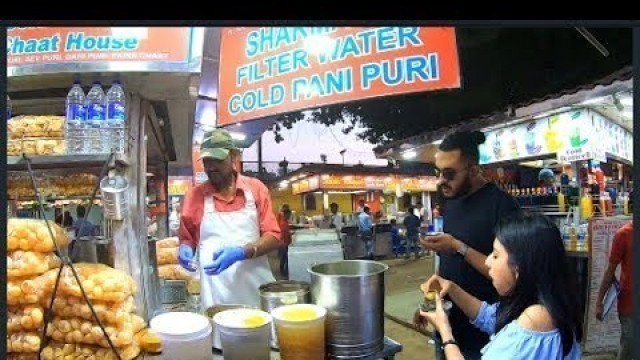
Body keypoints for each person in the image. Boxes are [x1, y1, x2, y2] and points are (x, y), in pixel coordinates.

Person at [416, 213, 582, 359]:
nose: (488, 262)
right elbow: (489, 317)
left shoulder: (534, 321)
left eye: (495, 255)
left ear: (518, 268)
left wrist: (445, 331)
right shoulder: (545, 305)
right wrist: (451, 287)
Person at [420, 130, 521, 360]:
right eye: (438, 173)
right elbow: (446, 264)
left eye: (449, 174)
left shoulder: (503, 206)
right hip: (447, 327)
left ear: (474, 169)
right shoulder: (452, 200)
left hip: (484, 336)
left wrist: (457, 246)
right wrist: (431, 300)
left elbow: (514, 277)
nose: (440, 181)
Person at [178, 128, 282, 314]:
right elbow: (188, 238)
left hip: (254, 291)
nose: (210, 167)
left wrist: (242, 252)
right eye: (207, 161)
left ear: (233, 156)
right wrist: (185, 248)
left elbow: (274, 236)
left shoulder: (255, 189)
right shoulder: (195, 196)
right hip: (215, 296)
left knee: (257, 334)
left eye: (217, 160)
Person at [596, 221, 633, 360]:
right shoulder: (623, 234)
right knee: (628, 347)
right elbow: (610, 271)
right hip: (630, 305)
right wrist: (599, 302)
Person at [277, 205, 293, 278]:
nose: (289, 216)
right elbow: (282, 235)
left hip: (284, 244)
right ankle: (284, 273)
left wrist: (290, 234)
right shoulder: (283, 223)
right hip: (283, 244)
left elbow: (286, 233)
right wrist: (284, 245)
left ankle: (284, 272)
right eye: (289, 215)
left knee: (284, 259)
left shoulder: (285, 222)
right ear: (286, 215)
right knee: (284, 258)